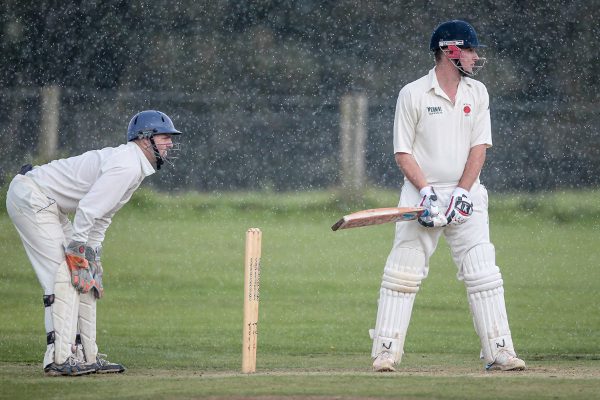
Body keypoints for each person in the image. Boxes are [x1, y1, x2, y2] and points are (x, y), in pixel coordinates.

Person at [369, 20, 526, 372]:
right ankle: (386, 351)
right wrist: (425, 193)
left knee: (483, 272)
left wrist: (462, 193)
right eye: (469, 49)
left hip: (466, 195)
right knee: (403, 272)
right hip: (420, 195)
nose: (475, 56)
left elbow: (479, 147)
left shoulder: (478, 93)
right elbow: (402, 152)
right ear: (449, 50)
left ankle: (499, 350)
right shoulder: (413, 93)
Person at [6, 110, 182, 376]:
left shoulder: (135, 168)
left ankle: (86, 355)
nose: (170, 143)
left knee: (84, 274)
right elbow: (88, 209)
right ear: (145, 139)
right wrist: (78, 246)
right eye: (165, 137)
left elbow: (103, 216)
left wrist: (93, 253)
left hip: (49, 204)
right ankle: (58, 358)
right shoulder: (127, 164)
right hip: (32, 196)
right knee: (62, 276)